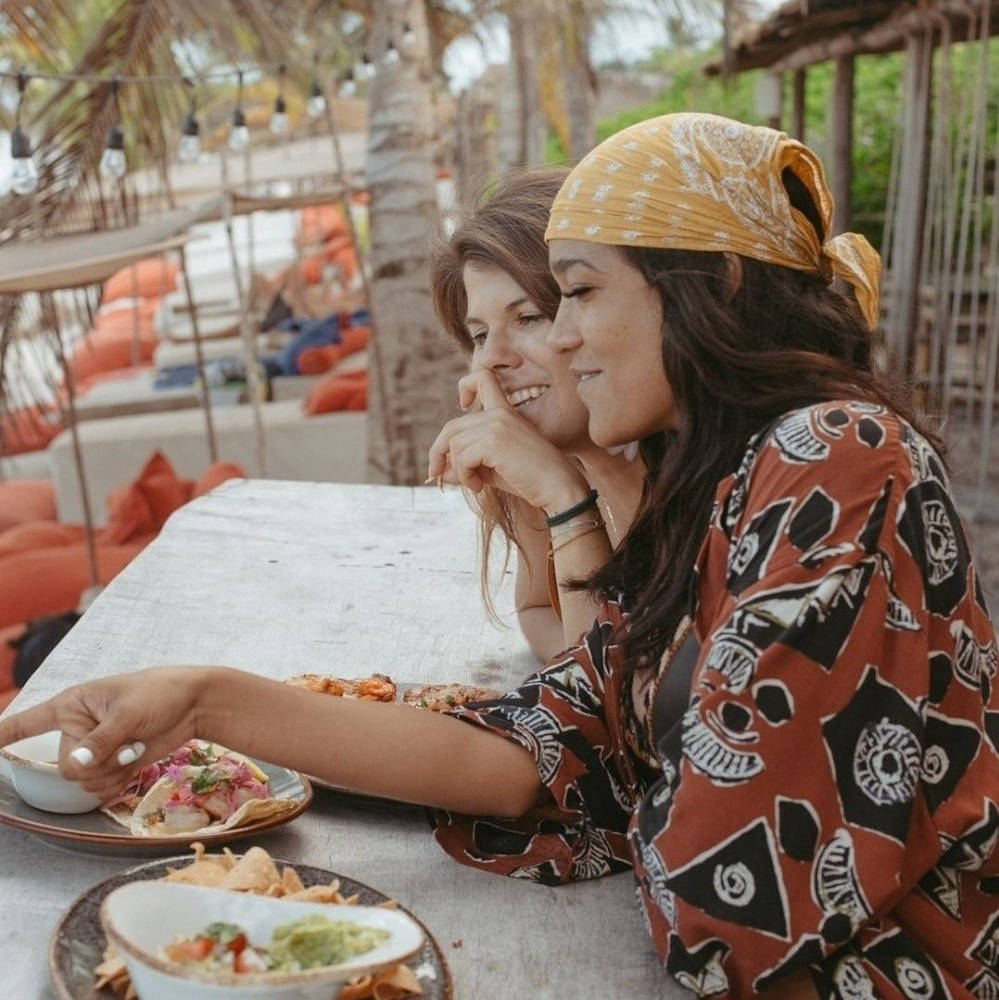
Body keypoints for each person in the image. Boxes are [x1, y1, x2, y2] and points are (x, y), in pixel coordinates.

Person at [2, 113, 997, 999]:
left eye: (575, 295)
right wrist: (201, 700)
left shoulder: (833, 454)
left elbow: (726, 910)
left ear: (716, 283)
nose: (557, 339)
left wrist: (571, 518)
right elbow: (544, 751)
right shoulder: (722, 493)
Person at [429, 168, 646, 660]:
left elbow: (619, 686)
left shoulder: (701, 480)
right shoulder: (542, 460)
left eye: (528, 318)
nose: (491, 359)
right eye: (479, 335)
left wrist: (567, 503)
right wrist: (571, 664)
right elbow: (537, 608)